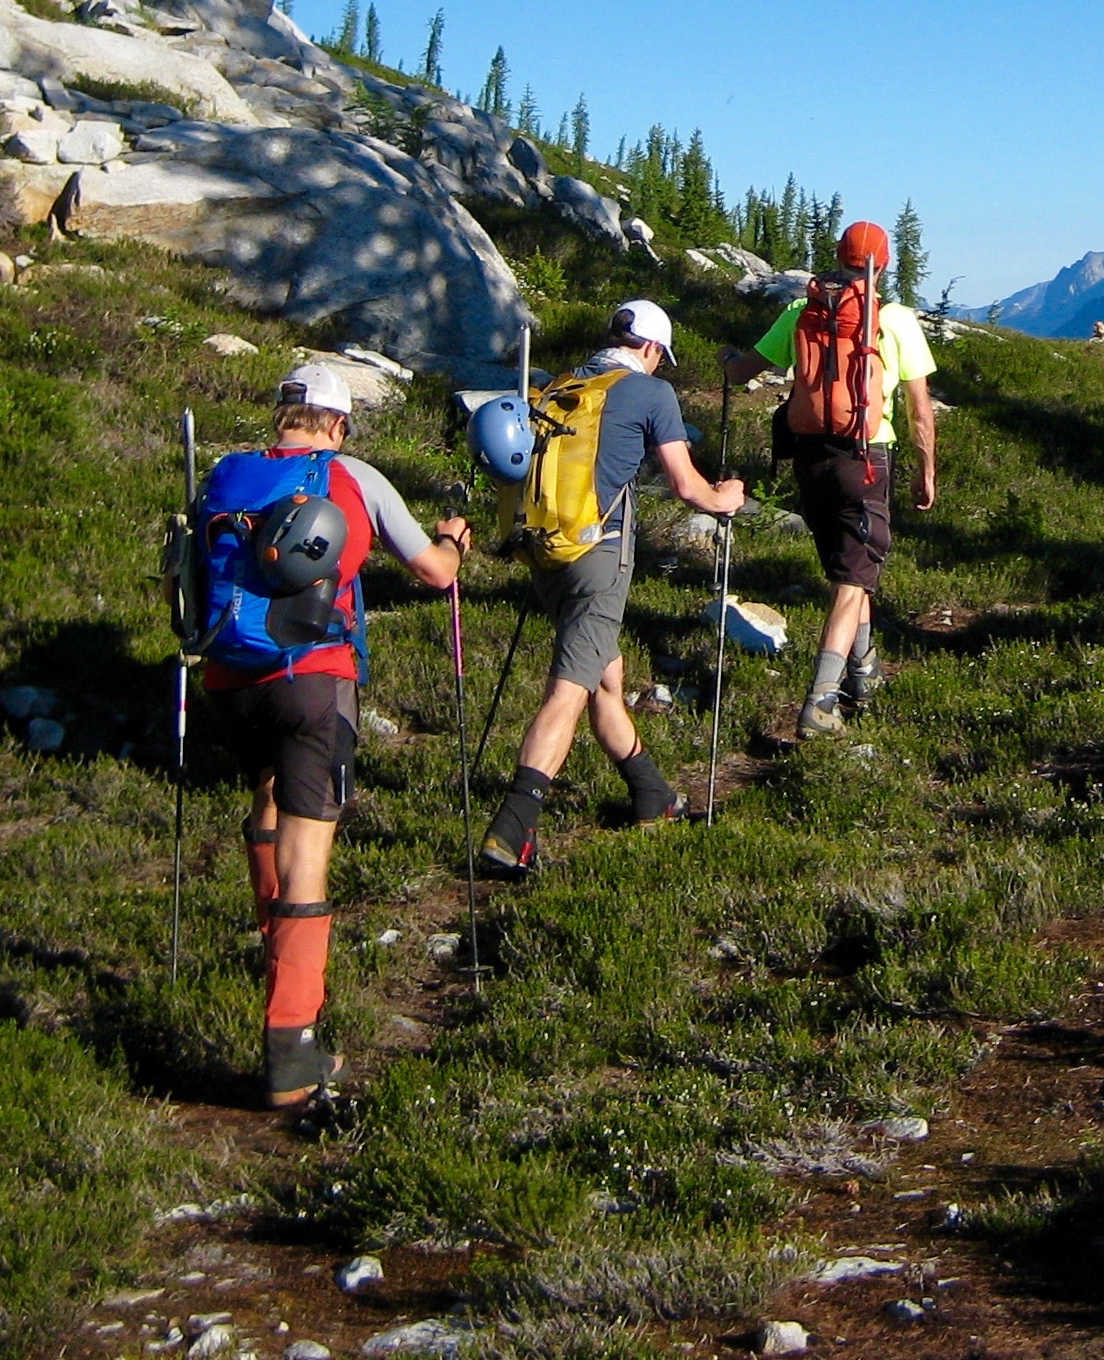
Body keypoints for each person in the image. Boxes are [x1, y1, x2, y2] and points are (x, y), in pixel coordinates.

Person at [197, 359, 469, 1110]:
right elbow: (433, 572)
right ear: (338, 423)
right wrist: (454, 539)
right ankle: (292, 1047)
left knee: (266, 803)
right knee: (308, 851)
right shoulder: (352, 476)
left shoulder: (225, 475)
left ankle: (271, 950)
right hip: (314, 679)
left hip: (229, 677)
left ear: (283, 411)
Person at [478, 299, 746, 875]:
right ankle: (511, 828)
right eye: (661, 356)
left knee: (606, 677)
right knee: (567, 692)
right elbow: (687, 485)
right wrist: (726, 499)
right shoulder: (651, 392)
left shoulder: (562, 387)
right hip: (599, 556)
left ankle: (651, 795)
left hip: (546, 551)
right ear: (651, 349)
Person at [721, 223, 938, 739]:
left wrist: (729, 360)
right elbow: (920, 409)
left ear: (836, 259)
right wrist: (927, 469)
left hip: (810, 458)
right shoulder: (894, 319)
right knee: (853, 581)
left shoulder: (801, 312)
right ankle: (820, 702)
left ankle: (864, 673)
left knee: (849, 567)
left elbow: (741, 372)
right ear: (882, 265)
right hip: (865, 459)